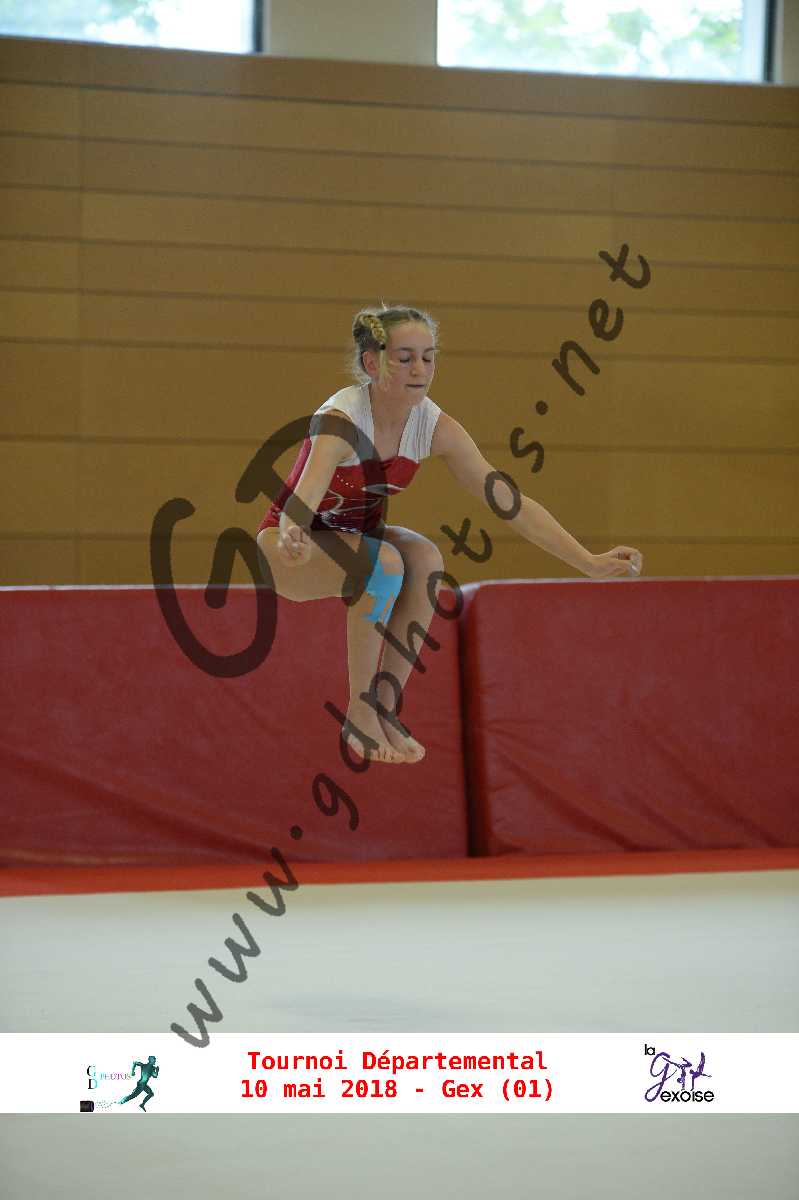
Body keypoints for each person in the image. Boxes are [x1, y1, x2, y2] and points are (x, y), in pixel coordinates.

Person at [255, 304, 643, 766]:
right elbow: (302, 501)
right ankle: (358, 712)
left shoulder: (434, 427)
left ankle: (385, 706)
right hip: (287, 551)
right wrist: (293, 537)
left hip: (354, 540)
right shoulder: (343, 421)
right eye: (405, 358)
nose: (420, 369)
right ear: (371, 363)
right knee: (385, 563)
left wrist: (588, 562)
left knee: (425, 557)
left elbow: (510, 503)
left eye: (428, 357)